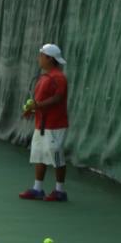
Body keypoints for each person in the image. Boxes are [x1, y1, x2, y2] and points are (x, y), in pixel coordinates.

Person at [19, 43, 69, 201]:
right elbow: (39, 101)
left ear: (50, 58)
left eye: (41, 56)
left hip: (56, 125)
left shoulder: (59, 77)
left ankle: (60, 191)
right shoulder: (43, 78)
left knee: (57, 157)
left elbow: (57, 98)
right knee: (39, 156)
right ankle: (37, 189)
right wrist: (31, 110)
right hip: (41, 125)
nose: (39, 59)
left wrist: (37, 105)